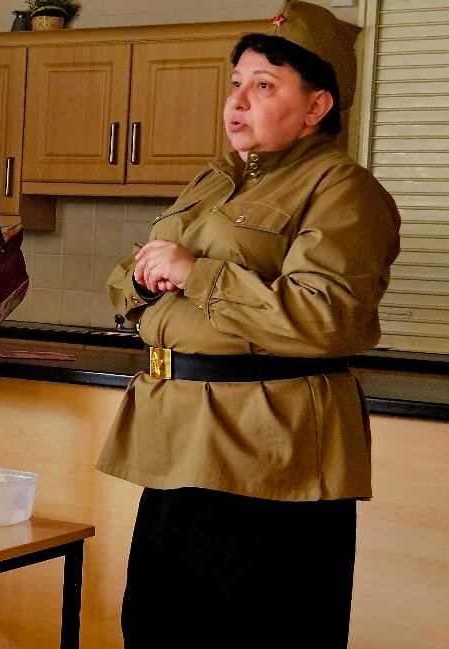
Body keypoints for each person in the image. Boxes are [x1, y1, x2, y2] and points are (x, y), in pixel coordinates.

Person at [98, 1, 401, 647]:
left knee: (251, 633)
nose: (237, 101)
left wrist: (196, 273)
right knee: (154, 627)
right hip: (181, 437)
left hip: (269, 451)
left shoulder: (343, 189)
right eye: (236, 82)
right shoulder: (216, 180)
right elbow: (133, 271)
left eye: (264, 85)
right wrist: (145, 279)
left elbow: (326, 318)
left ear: (317, 106)